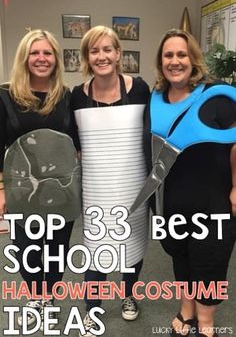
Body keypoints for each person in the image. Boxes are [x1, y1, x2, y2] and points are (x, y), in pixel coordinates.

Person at [143, 29, 236, 337]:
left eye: (181, 54)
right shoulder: (155, 98)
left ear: (193, 58)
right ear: (161, 62)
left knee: (210, 259)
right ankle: (187, 311)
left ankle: (206, 322)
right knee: (179, 254)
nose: (175, 61)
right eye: (168, 55)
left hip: (214, 198)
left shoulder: (217, 95)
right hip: (172, 197)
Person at [71, 25, 150, 337]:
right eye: (94, 51)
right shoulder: (77, 95)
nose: (101, 56)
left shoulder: (140, 89)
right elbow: (74, 142)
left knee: (133, 245)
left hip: (134, 183)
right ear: (87, 58)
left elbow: (150, 133)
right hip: (96, 187)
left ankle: (129, 294)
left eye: (107, 49)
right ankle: (93, 308)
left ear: (118, 54)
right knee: (96, 247)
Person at [0, 29, 81, 331]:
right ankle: (36, 295)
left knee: (57, 248)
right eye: (35, 53)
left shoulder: (66, 97)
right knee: (26, 248)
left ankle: (49, 296)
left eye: (47, 53)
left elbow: (76, 141)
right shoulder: (5, 94)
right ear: (25, 57)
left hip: (61, 188)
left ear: (56, 59)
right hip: (21, 188)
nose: (41, 58)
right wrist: (1, 189)